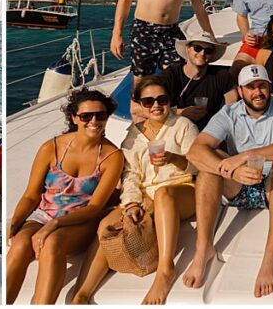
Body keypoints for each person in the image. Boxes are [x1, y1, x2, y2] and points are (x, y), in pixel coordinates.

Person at [71, 77, 198, 304]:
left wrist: (173, 158)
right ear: (139, 104)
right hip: (146, 195)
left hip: (182, 188)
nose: (156, 105)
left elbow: (197, 164)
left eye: (162, 99)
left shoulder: (183, 126)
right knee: (107, 224)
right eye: (148, 101)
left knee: (164, 195)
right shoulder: (133, 135)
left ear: (170, 101)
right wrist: (131, 204)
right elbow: (130, 175)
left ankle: (165, 270)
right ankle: (82, 293)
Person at [182, 64, 273, 298]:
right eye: (251, 87)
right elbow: (195, 151)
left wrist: (246, 156)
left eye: (262, 86)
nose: (257, 92)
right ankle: (203, 247)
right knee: (207, 169)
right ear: (240, 90)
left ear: (270, 87)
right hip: (238, 185)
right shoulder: (229, 113)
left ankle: (271, 255)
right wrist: (231, 171)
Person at [6, 89, 123, 304]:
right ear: (74, 118)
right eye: (86, 116)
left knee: (53, 242)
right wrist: (15, 223)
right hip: (44, 214)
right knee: (21, 244)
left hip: (81, 221)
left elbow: (95, 207)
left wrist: (55, 224)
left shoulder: (111, 157)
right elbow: (31, 195)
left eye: (100, 115)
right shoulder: (52, 147)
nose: (94, 121)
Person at [158, 29, 237, 130]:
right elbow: (148, 107)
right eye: (197, 48)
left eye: (208, 50)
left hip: (210, 131)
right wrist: (180, 113)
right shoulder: (170, 75)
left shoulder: (222, 76)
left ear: (212, 54)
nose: (202, 53)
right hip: (176, 129)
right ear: (188, 49)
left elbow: (232, 107)